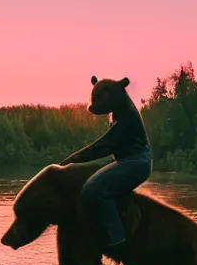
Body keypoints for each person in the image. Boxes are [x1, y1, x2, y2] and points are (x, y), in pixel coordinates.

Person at [59, 76, 152, 254]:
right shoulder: (119, 113)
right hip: (128, 161)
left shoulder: (127, 117)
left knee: (93, 189)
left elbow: (102, 147)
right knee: (93, 181)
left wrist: (68, 161)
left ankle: (117, 237)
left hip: (136, 163)